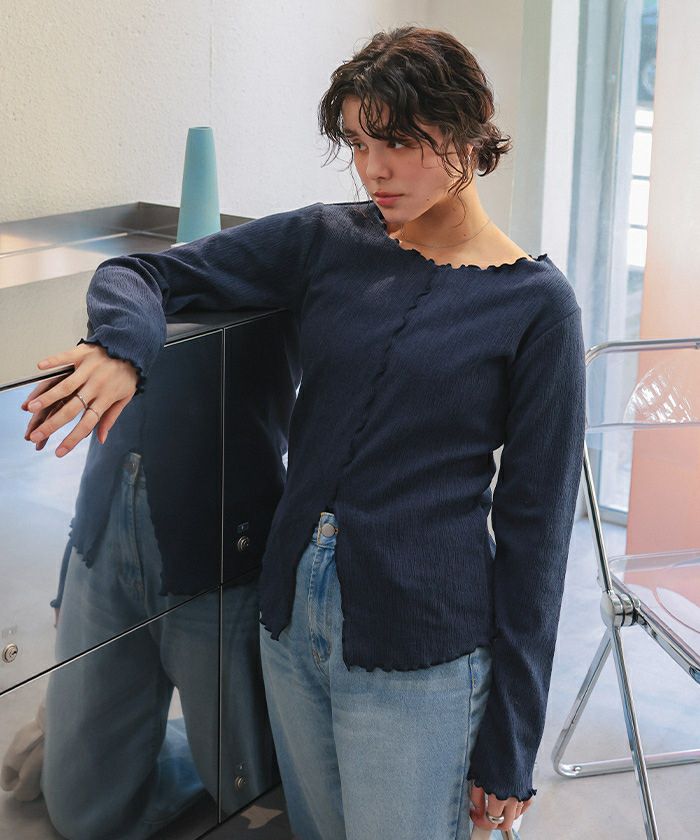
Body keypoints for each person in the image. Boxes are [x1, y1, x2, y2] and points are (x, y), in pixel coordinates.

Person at [22, 25, 586, 840]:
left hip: (421, 648)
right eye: (357, 143)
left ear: (468, 128)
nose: (373, 169)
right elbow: (142, 271)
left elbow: (539, 535)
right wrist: (121, 349)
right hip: (289, 624)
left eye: (397, 141)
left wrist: (511, 741)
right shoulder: (328, 240)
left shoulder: (537, 306)